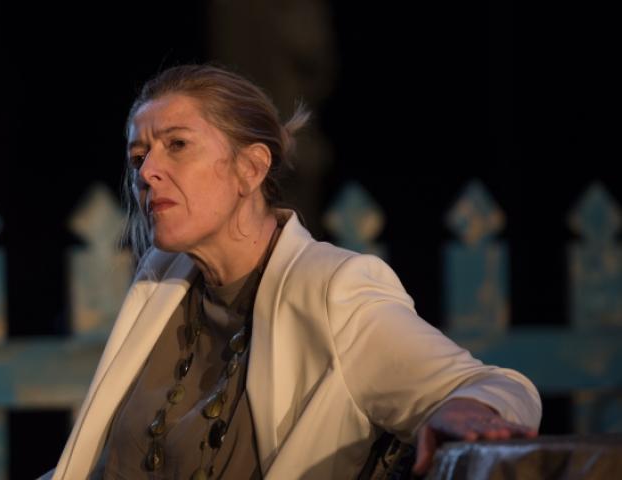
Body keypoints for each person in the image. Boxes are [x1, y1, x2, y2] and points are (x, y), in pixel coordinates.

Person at [43, 64, 541, 480]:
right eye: (138, 156)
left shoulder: (332, 288)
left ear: (250, 168)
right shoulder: (163, 283)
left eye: (177, 144)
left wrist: (463, 409)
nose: (148, 172)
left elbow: (493, 386)